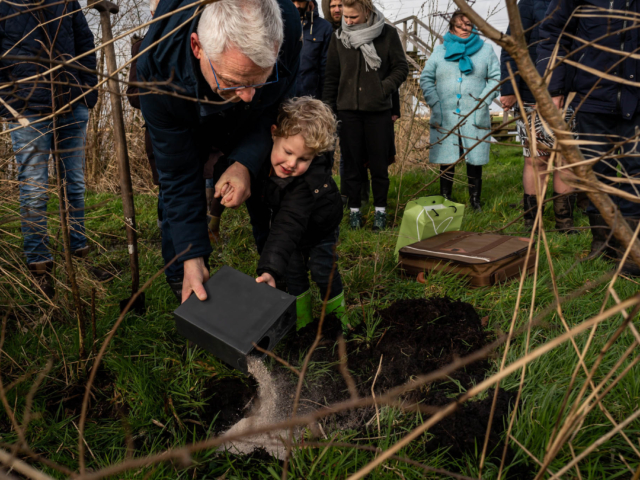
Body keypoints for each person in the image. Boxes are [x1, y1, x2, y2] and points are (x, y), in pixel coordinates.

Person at [137, 0, 302, 303]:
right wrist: (192, 256)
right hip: (186, 108)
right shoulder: (158, 67)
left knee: (277, 191)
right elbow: (177, 169)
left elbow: (270, 109)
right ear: (197, 46)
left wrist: (245, 163)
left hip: (249, 125)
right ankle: (185, 284)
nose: (247, 95)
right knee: (179, 215)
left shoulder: (289, 24)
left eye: (259, 79)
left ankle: (283, 289)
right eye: (232, 82)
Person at [0, 0, 98, 298]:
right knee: (34, 189)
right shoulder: (5, 4)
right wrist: (12, 104)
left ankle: (79, 252)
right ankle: (39, 266)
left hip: (72, 103)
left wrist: (87, 93)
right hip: (28, 112)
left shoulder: (65, 0)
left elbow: (84, 41)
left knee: (76, 184)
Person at [537, 0, 640, 274]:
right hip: (594, 96)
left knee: (637, 173)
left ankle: (631, 250)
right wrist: (554, 87)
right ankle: (602, 244)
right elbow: (552, 33)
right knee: (595, 172)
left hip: (638, 97)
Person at [253, 97, 345, 329]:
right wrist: (272, 270)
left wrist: (268, 266)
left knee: (324, 271)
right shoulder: (259, 160)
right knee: (293, 271)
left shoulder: (305, 185)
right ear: (274, 134)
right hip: (291, 228)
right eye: (288, 152)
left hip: (320, 227)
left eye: (304, 159)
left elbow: (288, 223)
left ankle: (337, 321)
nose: (292, 164)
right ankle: (302, 323)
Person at [323, 0, 408, 230]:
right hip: (348, 112)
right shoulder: (339, 37)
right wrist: (330, 111)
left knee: (379, 165)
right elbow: (331, 77)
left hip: (378, 111)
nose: (347, 21)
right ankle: (354, 212)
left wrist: (383, 88)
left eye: (353, 17)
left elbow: (401, 67)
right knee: (351, 165)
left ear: (367, 11)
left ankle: (381, 211)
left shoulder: (387, 34)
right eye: (345, 17)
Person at [500, 0, 577, 233]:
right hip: (533, 91)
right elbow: (511, 45)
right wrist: (509, 87)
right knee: (536, 158)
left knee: (567, 158)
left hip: (573, 92)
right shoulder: (529, 3)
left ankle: (564, 222)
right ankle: (532, 222)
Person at [420, 11, 500, 212]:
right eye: (460, 26)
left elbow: (496, 78)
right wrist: (434, 103)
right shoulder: (439, 52)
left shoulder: (486, 50)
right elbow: (426, 79)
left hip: (474, 114)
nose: (465, 29)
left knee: (474, 158)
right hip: (445, 114)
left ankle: (475, 201)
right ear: (451, 28)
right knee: (447, 159)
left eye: (468, 25)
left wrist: (482, 102)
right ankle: (445, 199)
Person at [294, 1, 333, 99]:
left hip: (310, 100)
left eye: (300, 1)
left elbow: (326, 71)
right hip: (284, 99)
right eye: (292, 1)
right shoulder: (283, 24)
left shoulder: (325, 27)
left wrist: (326, 103)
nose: (296, 5)